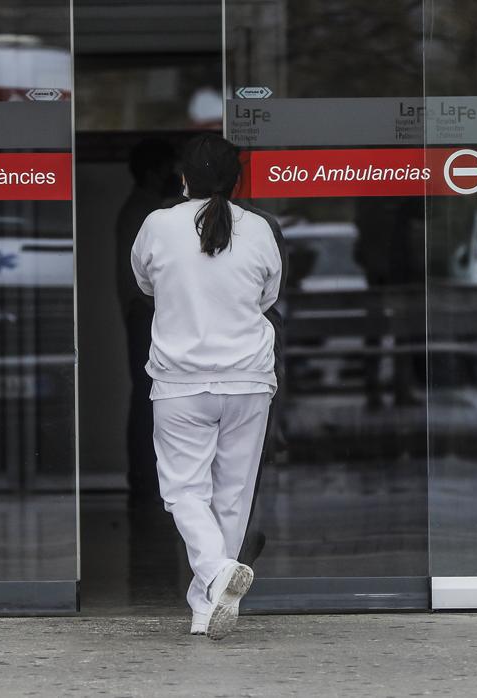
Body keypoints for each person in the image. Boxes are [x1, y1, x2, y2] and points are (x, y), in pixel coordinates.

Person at [131, 133, 282, 640]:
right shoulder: (259, 229)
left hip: (181, 383)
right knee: (233, 496)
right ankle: (206, 605)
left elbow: (145, 283)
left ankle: (216, 575)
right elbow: (267, 296)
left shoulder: (158, 225)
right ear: (237, 181)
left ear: (183, 179)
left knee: (183, 492)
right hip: (247, 380)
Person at [116, 138, 180, 506]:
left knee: (147, 398)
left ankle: (146, 479)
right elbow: (145, 279)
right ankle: (144, 479)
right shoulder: (146, 213)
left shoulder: (144, 210)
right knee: (147, 399)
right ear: (156, 171)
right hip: (146, 315)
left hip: (145, 314)